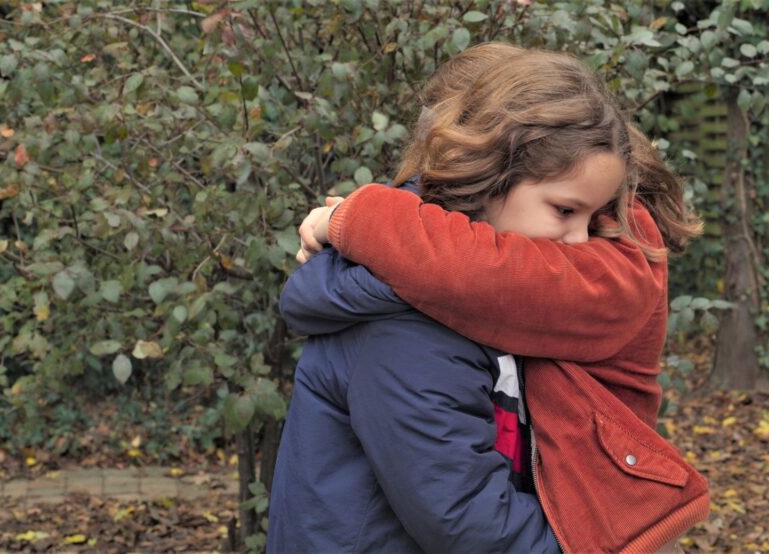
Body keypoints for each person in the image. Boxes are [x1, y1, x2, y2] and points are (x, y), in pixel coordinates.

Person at [290, 45, 709, 552]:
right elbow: (467, 523)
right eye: (565, 211)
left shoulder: (616, 254)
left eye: (592, 217)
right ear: (488, 173)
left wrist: (354, 218)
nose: (580, 241)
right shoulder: (407, 325)